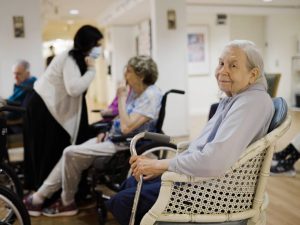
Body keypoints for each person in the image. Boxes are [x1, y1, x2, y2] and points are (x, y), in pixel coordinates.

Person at [106, 40, 275, 225]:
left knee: (122, 202)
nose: (221, 71)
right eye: (220, 63)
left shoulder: (251, 103)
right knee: (131, 184)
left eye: (233, 66)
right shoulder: (234, 99)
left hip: (213, 191)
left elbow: (214, 161)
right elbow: (201, 148)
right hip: (203, 179)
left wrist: (161, 165)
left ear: (253, 74)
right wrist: (162, 166)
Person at [23, 55, 163, 217]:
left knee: (70, 152)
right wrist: (106, 130)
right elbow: (121, 119)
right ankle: (42, 196)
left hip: (125, 143)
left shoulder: (151, 95)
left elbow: (127, 127)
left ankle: (63, 201)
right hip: (112, 137)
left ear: (141, 75)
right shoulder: (136, 92)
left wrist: (121, 99)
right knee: (70, 153)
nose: (125, 74)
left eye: (128, 71)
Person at [23, 25, 103, 191]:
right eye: (97, 44)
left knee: (55, 148)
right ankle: (45, 193)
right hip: (43, 107)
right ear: (87, 43)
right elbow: (73, 89)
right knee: (48, 150)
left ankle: (54, 192)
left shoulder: (76, 58)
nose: (99, 49)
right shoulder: (69, 58)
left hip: (47, 106)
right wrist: (92, 71)